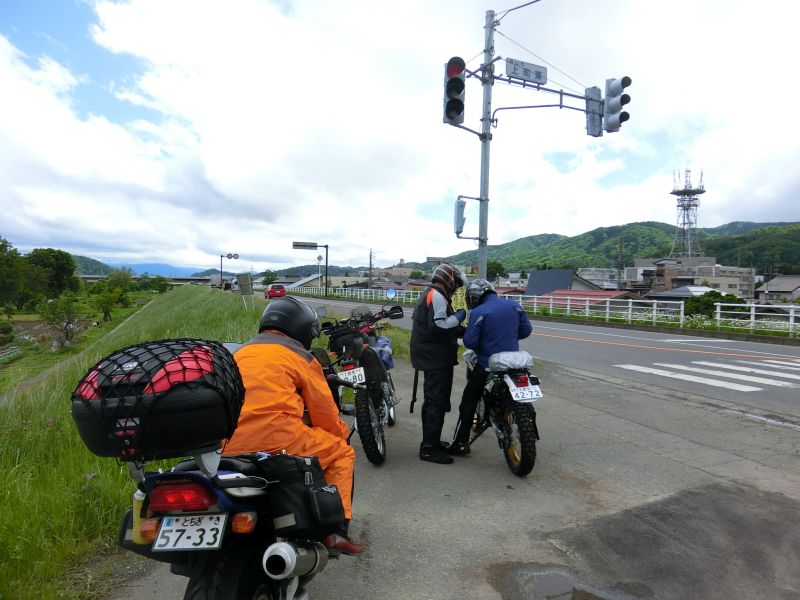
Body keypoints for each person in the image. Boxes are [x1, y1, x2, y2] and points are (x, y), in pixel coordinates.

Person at [223, 296, 363, 555]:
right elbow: (324, 414)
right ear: (302, 330)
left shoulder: (237, 354)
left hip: (226, 444)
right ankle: (335, 531)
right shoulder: (300, 357)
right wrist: (341, 434)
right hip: (278, 441)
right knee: (342, 452)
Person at [446, 278, 533, 456]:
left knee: (469, 400)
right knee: (526, 398)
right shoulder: (515, 306)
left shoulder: (479, 311)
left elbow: (470, 342)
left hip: (488, 364)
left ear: (473, 297)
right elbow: (526, 330)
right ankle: (530, 432)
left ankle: (461, 443)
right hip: (515, 363)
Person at [410, 263, 467, 464]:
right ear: (448, 280)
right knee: (436, 402)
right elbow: (439, 326)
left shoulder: (434, 294)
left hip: (431, 356)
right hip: (435, 358)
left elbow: (440, 325)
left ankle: (431, 442)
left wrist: (461, 329)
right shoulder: (436, 296)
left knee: (432, 401)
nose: (456, 288)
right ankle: (428, 449)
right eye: (456, 284)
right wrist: (458, 318)